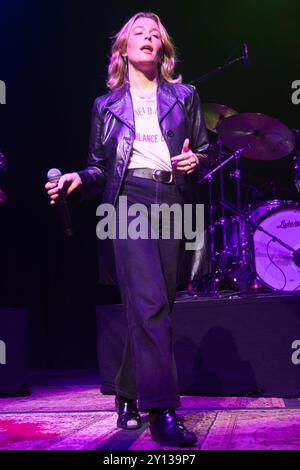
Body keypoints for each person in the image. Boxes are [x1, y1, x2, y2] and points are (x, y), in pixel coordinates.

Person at [45, 11, 209, 446]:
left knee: (157, 310)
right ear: (123, 48)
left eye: (155, 34)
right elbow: (101, 166)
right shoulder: (106, 106)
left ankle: (126, 393)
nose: (149, 38)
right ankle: (162, 412)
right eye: (139, 32)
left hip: (173, 200)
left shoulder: (185, 95)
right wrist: (79, 178)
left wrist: (197, 161)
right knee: (151, 304)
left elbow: (203, 150)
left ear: (164, 49)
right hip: (127, 201)